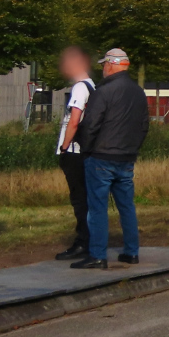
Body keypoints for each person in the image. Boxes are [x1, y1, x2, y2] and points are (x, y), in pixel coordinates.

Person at [71, 49, 148, 270]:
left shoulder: (103, 92)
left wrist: (86, 149)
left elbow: (90, 125)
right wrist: (132, 148)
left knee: (97, 208)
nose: (103, 68)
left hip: (101, 157)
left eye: (105, 64)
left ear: (112, 65)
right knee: (127, 206)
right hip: (126, 157)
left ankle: (97, 255)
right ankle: (131, 252)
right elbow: (144, 126)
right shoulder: (138, 92)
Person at [54, 47, 96, 261]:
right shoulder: (92, 86)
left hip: (74, 151)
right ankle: (88, 240)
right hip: (86, 151)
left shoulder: (80, 88)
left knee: (79, 200)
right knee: (85, 199)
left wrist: (64, 146)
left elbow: (74, 120)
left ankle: (83, 242)